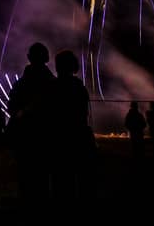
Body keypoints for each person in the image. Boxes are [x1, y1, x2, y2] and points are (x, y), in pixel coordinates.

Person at [8, 42, 56, 206]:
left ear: (29, 57)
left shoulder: (21, 83)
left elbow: (12, 107)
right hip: (46, 136)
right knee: (43, 176)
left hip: (25, 136)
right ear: (47, 58)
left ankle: (27, 205)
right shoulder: (53, 83)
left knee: (25, 176)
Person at [51, 50, 94, 207]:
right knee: (82, 178)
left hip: (60, 139)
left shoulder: (52, 87)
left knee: (61, 179)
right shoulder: (79, 88)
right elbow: (83, 114)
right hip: (79, 136)